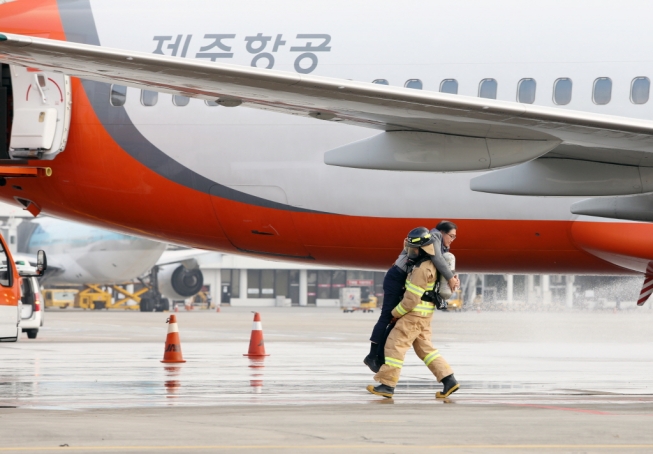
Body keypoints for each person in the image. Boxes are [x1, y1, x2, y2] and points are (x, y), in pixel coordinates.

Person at [367, 227, 459, 399]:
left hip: (414, 315)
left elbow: (411, 299)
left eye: (414, 249)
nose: (411, 252)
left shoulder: (421, 269)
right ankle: (449, 380)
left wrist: (395, 313)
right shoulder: (429, 264)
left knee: (395, 345)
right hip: (424, 315)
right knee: (426, 349)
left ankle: (387, 385)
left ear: (423, 249)